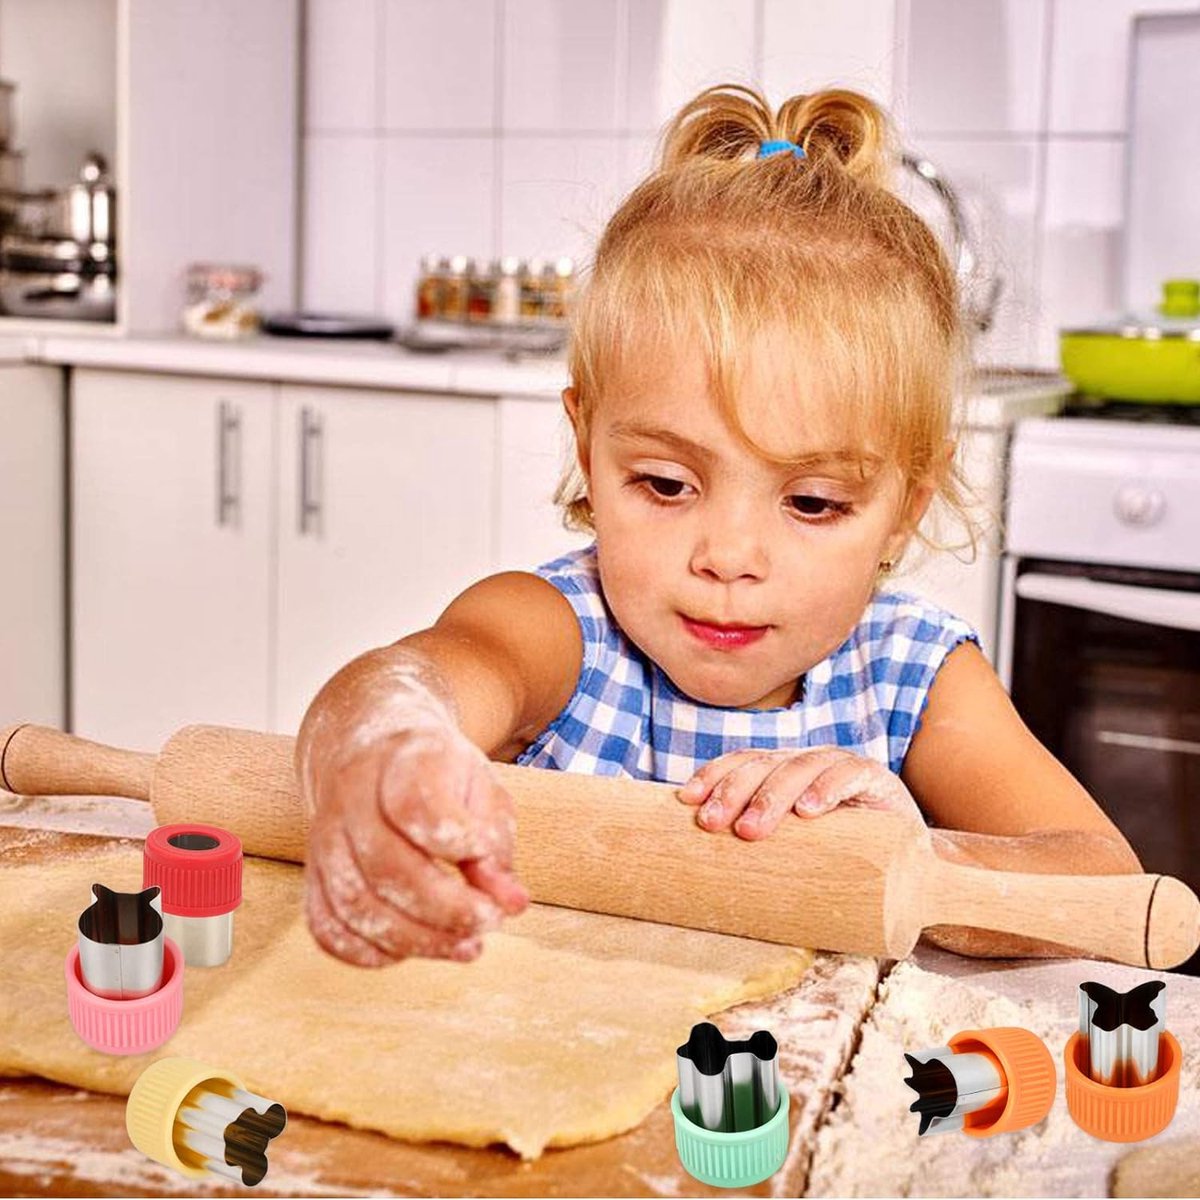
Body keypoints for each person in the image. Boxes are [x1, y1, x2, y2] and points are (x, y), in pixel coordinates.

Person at [296, 83, 1140, 969]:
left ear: (905, 509)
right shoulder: (559, 635)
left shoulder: (909, 677)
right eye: (665, 484)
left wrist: (916, 855)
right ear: (588, 449)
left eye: (812, 503)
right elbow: (397, 688)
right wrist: (388, 758)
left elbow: (1110, 892)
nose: (729, 558)